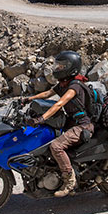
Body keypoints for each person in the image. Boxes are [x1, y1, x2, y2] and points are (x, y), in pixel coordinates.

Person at [23, 50, 94, 198]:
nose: (58, 68)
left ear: (71, 68)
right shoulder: (63, 84)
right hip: (71, 123)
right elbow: (47, 94)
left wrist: (42, 118)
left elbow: (59, 104)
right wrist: (28, 99)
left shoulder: (75, 86)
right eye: (58, 65)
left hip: (82, 125)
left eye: (62, 66)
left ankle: (69, 182)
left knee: (56, 146)